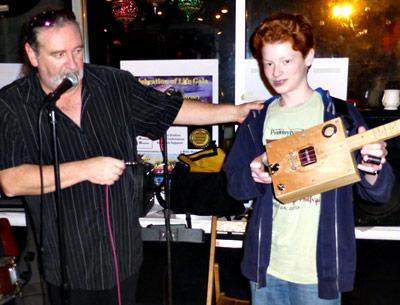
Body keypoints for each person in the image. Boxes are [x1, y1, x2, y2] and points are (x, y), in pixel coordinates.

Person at [0, 8, 263, 305]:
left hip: (122, 258)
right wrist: (85, 169)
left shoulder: (113, 84)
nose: (73, 64)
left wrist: (235, 112)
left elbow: (171, 111)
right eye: (58, 55)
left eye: (77, 51)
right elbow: (11, 181)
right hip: (67, 265)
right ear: (32, 56)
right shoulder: (12, 105)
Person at [224, 12, 395, 305]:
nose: (276, 72)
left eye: (286, 61)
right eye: (268, 63)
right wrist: (253, 175)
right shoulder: (256, 120)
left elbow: (380, 193)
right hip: (266, 268)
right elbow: (234, 187)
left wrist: (372, 168)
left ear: (309, 57)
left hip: (321, 272)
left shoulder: (339, 115)